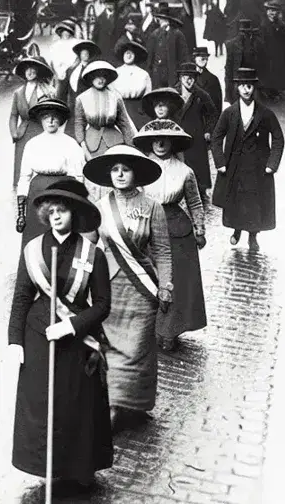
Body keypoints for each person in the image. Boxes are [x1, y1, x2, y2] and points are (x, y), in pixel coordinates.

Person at [6, 178, 113, 494]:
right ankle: (47, 466)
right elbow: (22, 297)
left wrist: (72, 325)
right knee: (42, 404)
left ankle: (79, 467)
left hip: (78, 341)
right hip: (39, 336)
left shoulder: (93, 254)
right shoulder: (33, 250)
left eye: (63, 210)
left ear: (75, 214)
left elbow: (104, 305)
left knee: (76, 405)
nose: (56, 216)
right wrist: (15, 341)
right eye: (51, 210)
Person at [83, 145, 173, 431]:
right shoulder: (99, 208)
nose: (120, 175)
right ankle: (112, 404)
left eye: (126, 169)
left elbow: (163, 251)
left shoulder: (153, 207)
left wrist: (166, 287)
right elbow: (86, 249)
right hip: (108, 289)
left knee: (138, 350)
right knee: (111, 348)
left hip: (142, 289)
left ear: (136, 174)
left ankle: (135, 402)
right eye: (115, 170)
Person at [132, 120, 207, 352]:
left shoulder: (185, 171)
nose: (160, 144)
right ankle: (149, 328)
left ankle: (169, 331)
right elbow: (133, 197)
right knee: (149, 276)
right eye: (156, 140)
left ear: (173, 143)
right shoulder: (142, 169)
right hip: (148, 223)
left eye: (165, 140)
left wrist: (199, 228)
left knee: (177, 280)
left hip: (177, 227)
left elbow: (194, 201)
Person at [211, 68, 285, 251]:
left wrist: (271, 164)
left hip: (257, 168)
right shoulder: (229, 113)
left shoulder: (265, 113)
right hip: (234, 166)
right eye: (243, 86)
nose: (246, 90)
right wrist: (220, 163)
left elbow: (278, 138)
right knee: (236, 201)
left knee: (254, 203)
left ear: (254, 88)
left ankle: (253, 236)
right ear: (237, 88)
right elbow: (216, 138)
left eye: (250, 86)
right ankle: (237, 230)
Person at [15, 99, 89, 241]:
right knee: (36, 238)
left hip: (62, 192)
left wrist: (78, 205)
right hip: (37, 194)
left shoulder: (70, 144)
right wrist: (21, 214)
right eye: (46, 117)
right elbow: (24, 177)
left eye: (54, 117)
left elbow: (79, 176)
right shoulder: (32, 144)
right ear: (41, 120)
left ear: (60, 120)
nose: (50, 121)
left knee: (61, 237)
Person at [8, 56, 58, 187]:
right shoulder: (18, 93)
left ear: (38, 71)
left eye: (33, 69)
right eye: (26, 69)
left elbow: (55, 113)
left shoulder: (48, 91)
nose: (29, 72)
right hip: (23, 133)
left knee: (40, 167)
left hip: (41, 130)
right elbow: (13, 115)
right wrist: (14, 132)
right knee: (22, 173)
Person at [170, 64, 220, 197]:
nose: (188, 80)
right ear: (180, 78)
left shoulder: (201, 94)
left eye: (192, 77)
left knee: (197, 164)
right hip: (178, 133)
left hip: (196, 135)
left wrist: (208, 130)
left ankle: (201, 191)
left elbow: (213, 113)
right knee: (177, 162)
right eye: (185, 77)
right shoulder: (173, 93)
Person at [71, 61, 137, 157]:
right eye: (96, 76)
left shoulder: (115, 97)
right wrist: (83, 147)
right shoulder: (82, 98)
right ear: (91, 78)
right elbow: (79, 124)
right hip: (91, 144)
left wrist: (131, 147)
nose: (100, 80)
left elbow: (124, 124)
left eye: (103, 76)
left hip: (115, 142)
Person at [112, 41, 153, 127]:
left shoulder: (143, 74)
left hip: (137, 112)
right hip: (119, 109)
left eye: (131, 54)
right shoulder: (116, 72)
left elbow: (148, 97)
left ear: (136, 56)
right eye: (126, 53)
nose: (128, 56)